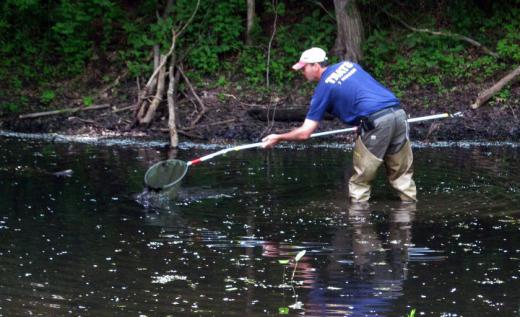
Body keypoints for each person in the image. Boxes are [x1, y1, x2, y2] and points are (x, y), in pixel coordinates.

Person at [261, 47, 417, 202]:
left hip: (376, 122)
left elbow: (305, 133)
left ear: (316, 66)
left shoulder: (324, 88)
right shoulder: (349, 65)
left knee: (360, 183)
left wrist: (279, 137)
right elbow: (362, 93)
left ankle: (359, 222)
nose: (302, 72)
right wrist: (360, 121)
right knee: (402, 177)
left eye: (304, 68)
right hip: (398, 114)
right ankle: (408, 218)